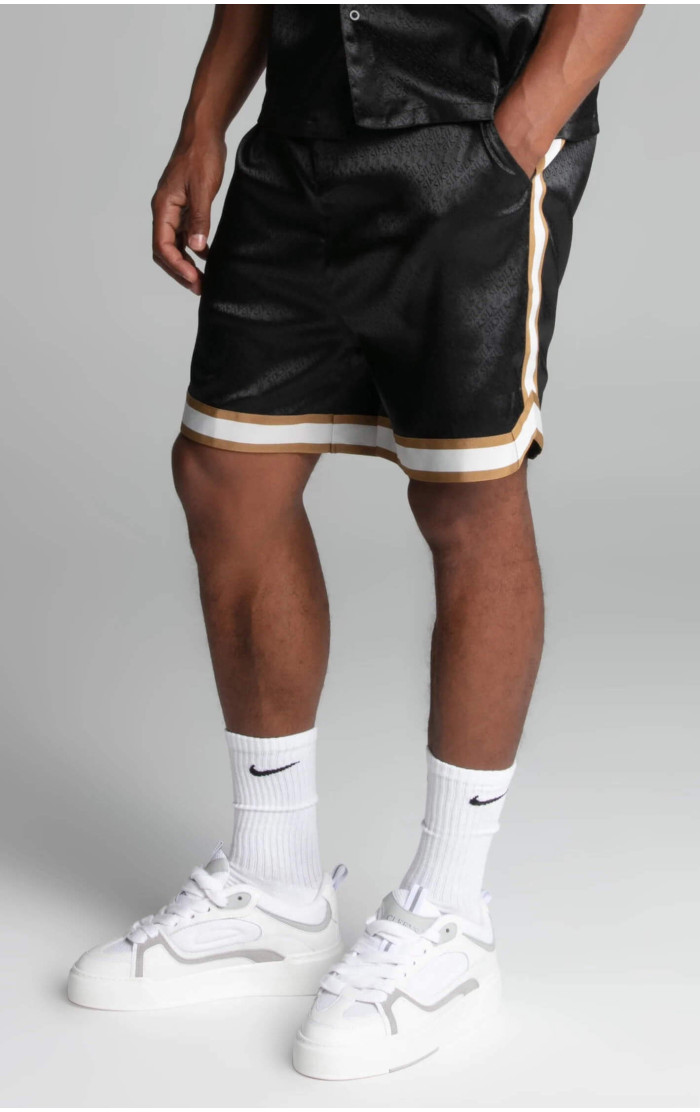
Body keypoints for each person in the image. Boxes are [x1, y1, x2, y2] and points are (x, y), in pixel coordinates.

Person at [67, 4, 644, 1080]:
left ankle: (451, 917)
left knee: (465, 498)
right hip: (299, 136)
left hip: (470, 126)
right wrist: (204, 123)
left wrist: (511, 143)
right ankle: (274, 884)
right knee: (226, 472)